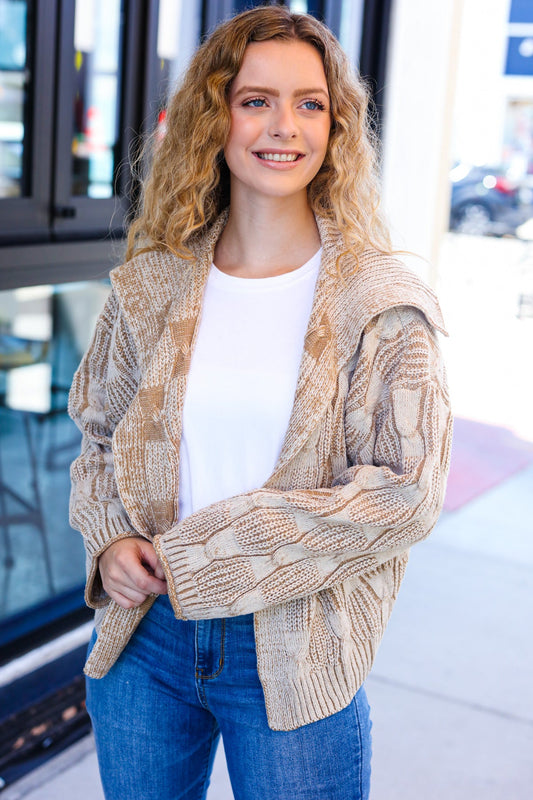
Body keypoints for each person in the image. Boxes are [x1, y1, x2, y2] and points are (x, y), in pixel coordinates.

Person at [68, 5, 452, 800]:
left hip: (297, 648)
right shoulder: (152, 285)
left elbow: (406, 494)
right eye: (256, 100)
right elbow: (98, 434)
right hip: (147, 640)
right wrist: (108, 540)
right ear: (216, 117)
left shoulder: (379, 303)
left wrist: (204, 557)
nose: (284, 126)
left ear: (336, 127)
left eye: (309, 103)